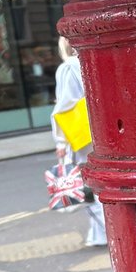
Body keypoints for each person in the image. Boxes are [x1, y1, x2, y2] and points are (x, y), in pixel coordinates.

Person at [53, 36, 105, 248]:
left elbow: (64, 108)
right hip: (101, 128)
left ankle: (105, 232)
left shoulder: (68, 68)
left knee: (88, 185)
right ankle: (100, 233)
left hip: (81, 135)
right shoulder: (94, 61)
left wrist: (60, 142)